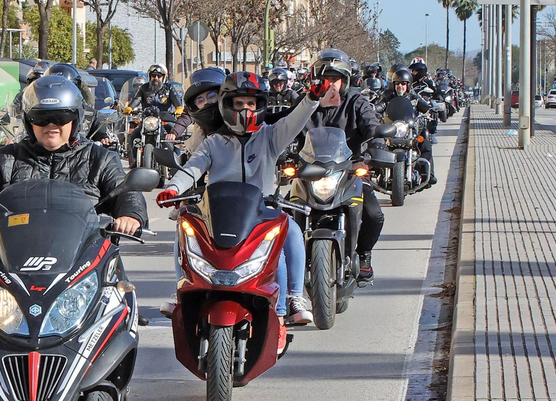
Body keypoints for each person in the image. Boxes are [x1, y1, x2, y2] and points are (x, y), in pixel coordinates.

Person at [158, 70, 323, 325]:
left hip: (263, 211)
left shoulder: (270, 136)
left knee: (290, 231)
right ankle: (184, 286)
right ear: (226, 105)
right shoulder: (213, 142)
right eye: (238, 103)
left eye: (251, 104)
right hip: (219, 212)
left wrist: (312, 97)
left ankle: (293, 297)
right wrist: (173, 188)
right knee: (185, 227)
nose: (245, 109)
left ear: (260, 106)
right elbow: (193, 168)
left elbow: (296, 120)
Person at [0, 74, 143, 237]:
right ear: (29, 121)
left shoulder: (100, 159)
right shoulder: (6, 159)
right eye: (41, 118)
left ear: (75, 120)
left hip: (85, 255)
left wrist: (130, 215)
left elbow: (124, 190)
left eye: (61, 117)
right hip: (15, 255)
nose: (51, 125)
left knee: (117, 281)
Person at [304, 49, 386, 284]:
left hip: (349, 171)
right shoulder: (307, 102)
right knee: (285, 214)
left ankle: (363, 253)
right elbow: (288, 126)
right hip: (311, 173)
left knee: (374, 215)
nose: (331, 84)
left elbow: (371, 124)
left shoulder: (355, 101)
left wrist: (377, 145)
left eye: (336, 78)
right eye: (325, 78)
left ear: (345, 80)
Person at [179, 66, 226, 153]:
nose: (206, 102)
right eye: (200, 100)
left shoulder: (236, 126)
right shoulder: (196, 138)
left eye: (211, 96)